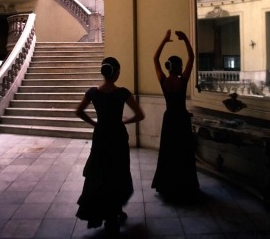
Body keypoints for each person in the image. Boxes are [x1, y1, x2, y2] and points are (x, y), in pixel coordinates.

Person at [75, 57, 145, 236]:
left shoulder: (92, 93)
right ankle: (115, 209)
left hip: (100, 136)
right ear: (117, 73)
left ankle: (106, 211)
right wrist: (125, 121)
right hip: (118, 136)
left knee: (100, 173)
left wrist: (94, 123)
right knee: (118, 172)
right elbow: (140, 115)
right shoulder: (123, 93)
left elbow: (78, 111)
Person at [151, 29, 200, 200]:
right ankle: (184, 185)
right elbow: (192, 58)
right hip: (181, 118)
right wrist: (186, 39)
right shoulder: (182, 80)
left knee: (168, 152)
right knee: (183, 153)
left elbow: (155, 58)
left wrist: (164, 40)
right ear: (179, 67)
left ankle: (167, 185)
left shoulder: (164, 80)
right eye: (180, 65)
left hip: (169, 118)